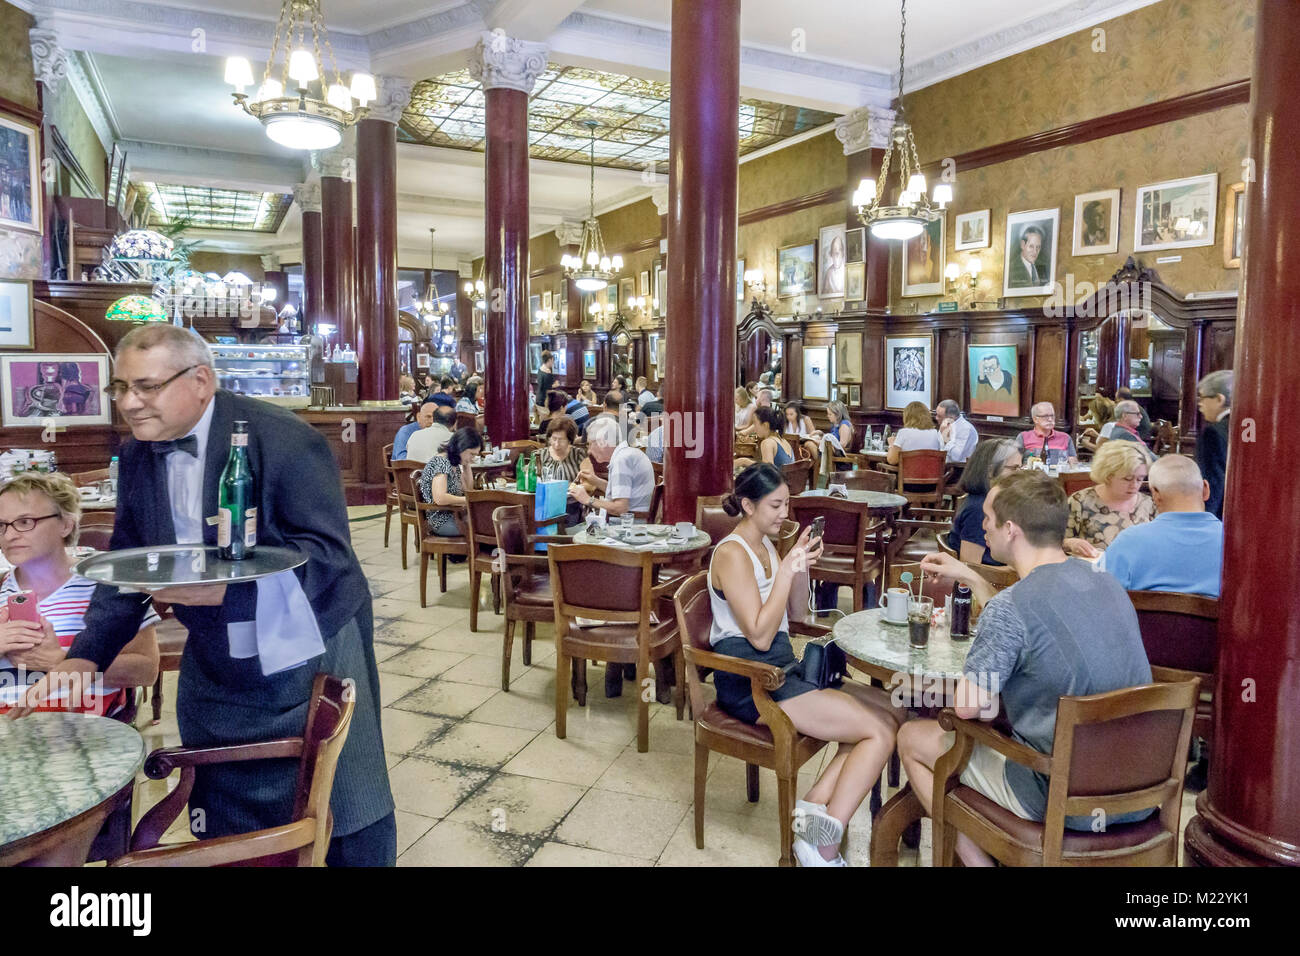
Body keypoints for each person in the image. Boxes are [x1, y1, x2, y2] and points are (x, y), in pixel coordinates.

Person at [12, 323, 396, 865]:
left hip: (308, 636)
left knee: (343, 790)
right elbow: (130, 559)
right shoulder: (141, 453)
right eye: (120, 389)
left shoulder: (284, 440)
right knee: (219, 779)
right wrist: (86, 657)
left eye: (146, 386)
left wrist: (225, 597)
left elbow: (328, 559)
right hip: (213, 648)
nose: (130, 402)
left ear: (201, 381)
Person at [903, 470, 1154, 866]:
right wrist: (971, 575)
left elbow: (969, 708)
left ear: (1011, 529)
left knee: (912, 738)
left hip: (1062, 796)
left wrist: (918, 690)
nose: (982, 525)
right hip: (1142, 784)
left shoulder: (1011, 608)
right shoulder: (1107, 583)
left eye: (988, 518)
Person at [710, 464, 901, 866]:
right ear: (747, 505)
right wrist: (786, 570)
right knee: (877, 733)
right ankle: (820, 843)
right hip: (750, 678)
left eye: (787, 504)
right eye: (776, 505)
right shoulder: (731, 553)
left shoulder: (766, 544)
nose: (784, 513)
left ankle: (814, 807)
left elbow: (795, 612)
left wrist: (800, 565)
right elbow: (759, 636)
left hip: (781, 665)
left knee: (890, 711)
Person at [0, 472, 159, 718]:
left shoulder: (107, 589)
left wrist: (62, 660)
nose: (9, 536)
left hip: (84, 732)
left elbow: (146, 670)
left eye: (25, 522)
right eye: (2, 525)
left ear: (66, 524)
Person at [1101, 455, 1223, 597]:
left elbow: (1104, 600)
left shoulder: (1127, 542)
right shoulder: (1237, 545)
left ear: (1155, 494)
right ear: (1205, 489)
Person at [1063, 440, 1155, 557]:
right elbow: (1054, 543)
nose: (1134, 485)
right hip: (1092, 571)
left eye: (1140, 479)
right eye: (1127, 479)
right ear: (1108, 475)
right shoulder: (1080, 501)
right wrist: (1071, 543)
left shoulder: (1149, 504)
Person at [947, 438, 1020, 565]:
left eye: (1021, 468)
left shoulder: (991, 501)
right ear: (991, 471)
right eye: (1014, 468)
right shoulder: (979, 509)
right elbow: (970, 566)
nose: (1020, 475)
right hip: (993, 581)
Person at [573, 416, 654, 518]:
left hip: (629, 526)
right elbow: (622, 493)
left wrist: (587, 499)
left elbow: (620, 509)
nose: (589, 451)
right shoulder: (626, 453)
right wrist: (595, 480)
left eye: (589, 444)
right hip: (634, 522)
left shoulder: (622, 460)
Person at [418, 427, 483, 537]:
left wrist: (467, 464)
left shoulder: (454, 464)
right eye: (472, 454)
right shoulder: (441, 462)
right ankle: (472, 553)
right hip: (441, 520)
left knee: (489, 524)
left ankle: (470, 553)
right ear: (461, 447)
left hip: (455, 514)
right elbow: (440, 498)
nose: (473, 458)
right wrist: (468, 500)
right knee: (487, 529)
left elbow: (468, 490)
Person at [1194, 369, 1232, 520]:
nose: (1200, 404)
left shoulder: (1213, 433)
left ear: (1219, 399)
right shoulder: (1250, 425)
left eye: (1202, 397)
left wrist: (1204, 520)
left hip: (1220, 517)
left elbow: (1212, 483)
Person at [886, 401, 943, 466]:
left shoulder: (903, 433)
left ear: (907, 416)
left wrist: (891, 444)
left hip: (909, 475)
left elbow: (892, 460)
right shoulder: (935, 433)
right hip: (932, 475)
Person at [539, 416, 587, 483]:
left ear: (570, 441)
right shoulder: (540, 455)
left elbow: (588, 482)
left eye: (562, 440)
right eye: (554, 439)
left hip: (571, 493)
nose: (557, 444)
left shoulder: (578, 454)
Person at [934, 399, 978, 463]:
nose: (936, 418)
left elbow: (956, 457)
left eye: (939, 416)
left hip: (959, 469)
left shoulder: (966, 429)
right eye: (936, 414)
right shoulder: (945, 425)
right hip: (942, 465)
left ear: (951, 418)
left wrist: (946, 439)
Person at [782, 401, 823, 467]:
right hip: (789, 444)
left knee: (811, 445)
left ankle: (819, 463)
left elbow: (814, 434)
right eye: (787, 414)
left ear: (797, 413)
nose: (788, 417)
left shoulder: (805, 419)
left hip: (804, 443)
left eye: (791, 414)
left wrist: (808, 437)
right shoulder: (784, 421)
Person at [824, 400, 854, 469]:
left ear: (838, 414)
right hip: (831, 453)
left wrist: (828, 445)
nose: (828, 416)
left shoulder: (844, 424)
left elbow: (842, 444)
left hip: (839, 458)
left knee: (810, 445)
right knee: (809, 444)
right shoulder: (835, 425)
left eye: (830, 414)